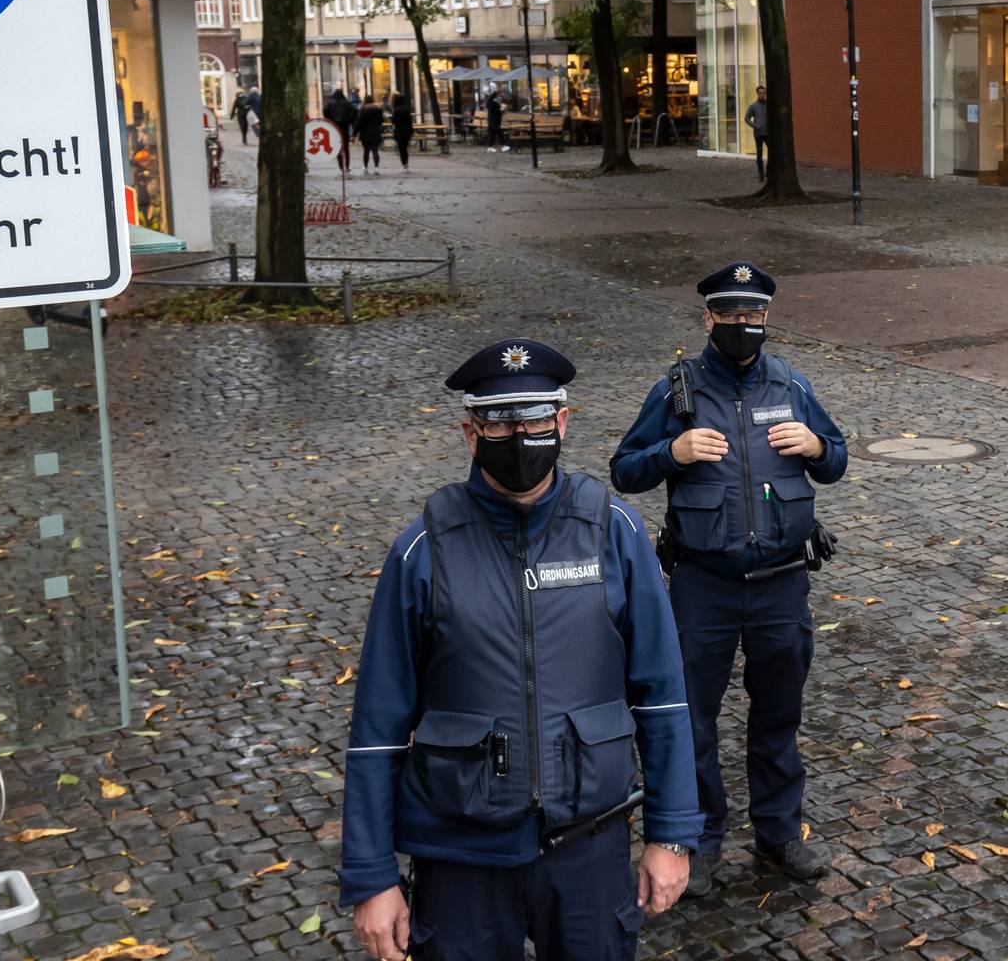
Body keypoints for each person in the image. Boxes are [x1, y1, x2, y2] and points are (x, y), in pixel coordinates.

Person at [338, 339, 700, 960]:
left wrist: (672, 834)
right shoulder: (423, 551)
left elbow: (661, 695)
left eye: (534, 418)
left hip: (589, 847)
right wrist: (371, 875)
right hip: (460, 858)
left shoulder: (614, 532)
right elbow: (378, 725)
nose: (519, 434)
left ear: (561, 423)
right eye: (499, 421)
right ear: (470, 433)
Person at [610, 262, 848, 898]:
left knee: (779, 716)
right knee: (691, 721)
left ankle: (778, 834)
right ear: (707, 318)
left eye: (753, 316)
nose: (743, 327)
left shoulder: (791, 384)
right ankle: (699, 842)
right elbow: (624, 470)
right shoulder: (676, 392)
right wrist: (673, 453)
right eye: (730, 316)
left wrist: (820, 449)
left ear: (766, 319)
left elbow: (838, 460)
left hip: (781, 584)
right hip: (703, 585)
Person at [325, 89, 361, 175]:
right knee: (346, 149)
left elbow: (325, 111)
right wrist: (350, 120)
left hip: (335, 128)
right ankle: (347, 167)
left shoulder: (330, 103)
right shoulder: (346, 102)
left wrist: (330, 120)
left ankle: (341, 167)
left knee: (338, 148)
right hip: (344, 127)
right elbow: (355, 111)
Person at [743, 87, 771, 181]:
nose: (762, 94)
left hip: (768, 133)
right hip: (758, 133)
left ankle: (768, 172)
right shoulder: (753, 106)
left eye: (764, 93)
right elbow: (746, 118)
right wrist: (755, 126)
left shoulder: (769, 105)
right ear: (757, 94)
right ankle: (761, 174)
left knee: (772, 152)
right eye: (760, 93)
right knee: (759, 154)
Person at [358, 97, 388, 171]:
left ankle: (365, 167)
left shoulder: (363, 109)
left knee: (366, 151)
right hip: (375, 132)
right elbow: (381, 121)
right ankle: (376, 167)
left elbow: (359, 121)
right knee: (375, 151)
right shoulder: (378, 109)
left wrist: (355, 132)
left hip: (365, 133)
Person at [392, 93, 416, 169]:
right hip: (407, 131)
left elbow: (393, 121)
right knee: (405, 148)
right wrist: (411, 130)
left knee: (401, 148)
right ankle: (406, 163)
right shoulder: (406, 110)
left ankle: (404, 164)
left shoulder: (396, 110)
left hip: (399, 131)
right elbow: (410, 121)